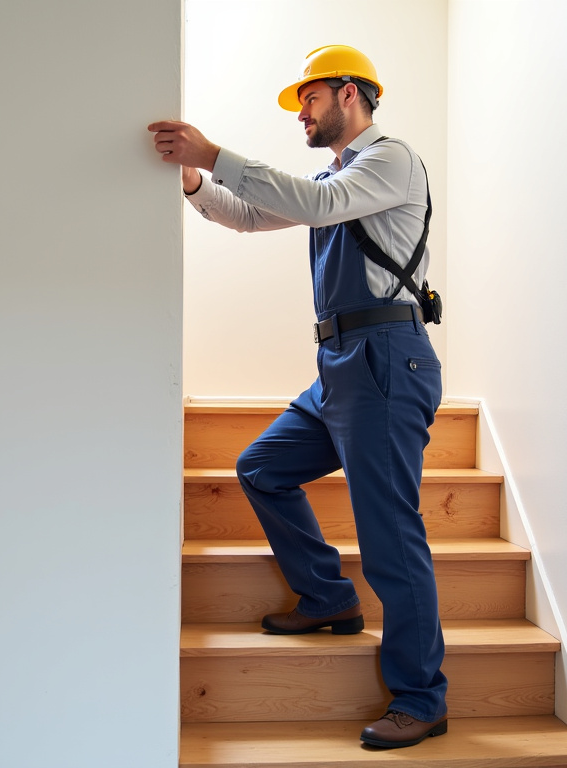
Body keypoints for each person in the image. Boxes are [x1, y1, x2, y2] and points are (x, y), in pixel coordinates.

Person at [148, 44, 447, 749]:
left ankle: (421, 697)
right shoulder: (335, 176)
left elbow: (317, 204)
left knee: (389, 535)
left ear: (349, 94)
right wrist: (196, 183)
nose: (301, 116)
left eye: (308, 100)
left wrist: (215, 151)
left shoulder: (390, 160)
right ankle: (328, 598)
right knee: (261, 467)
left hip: (385, 359)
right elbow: (254, 217)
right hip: (342, 364)